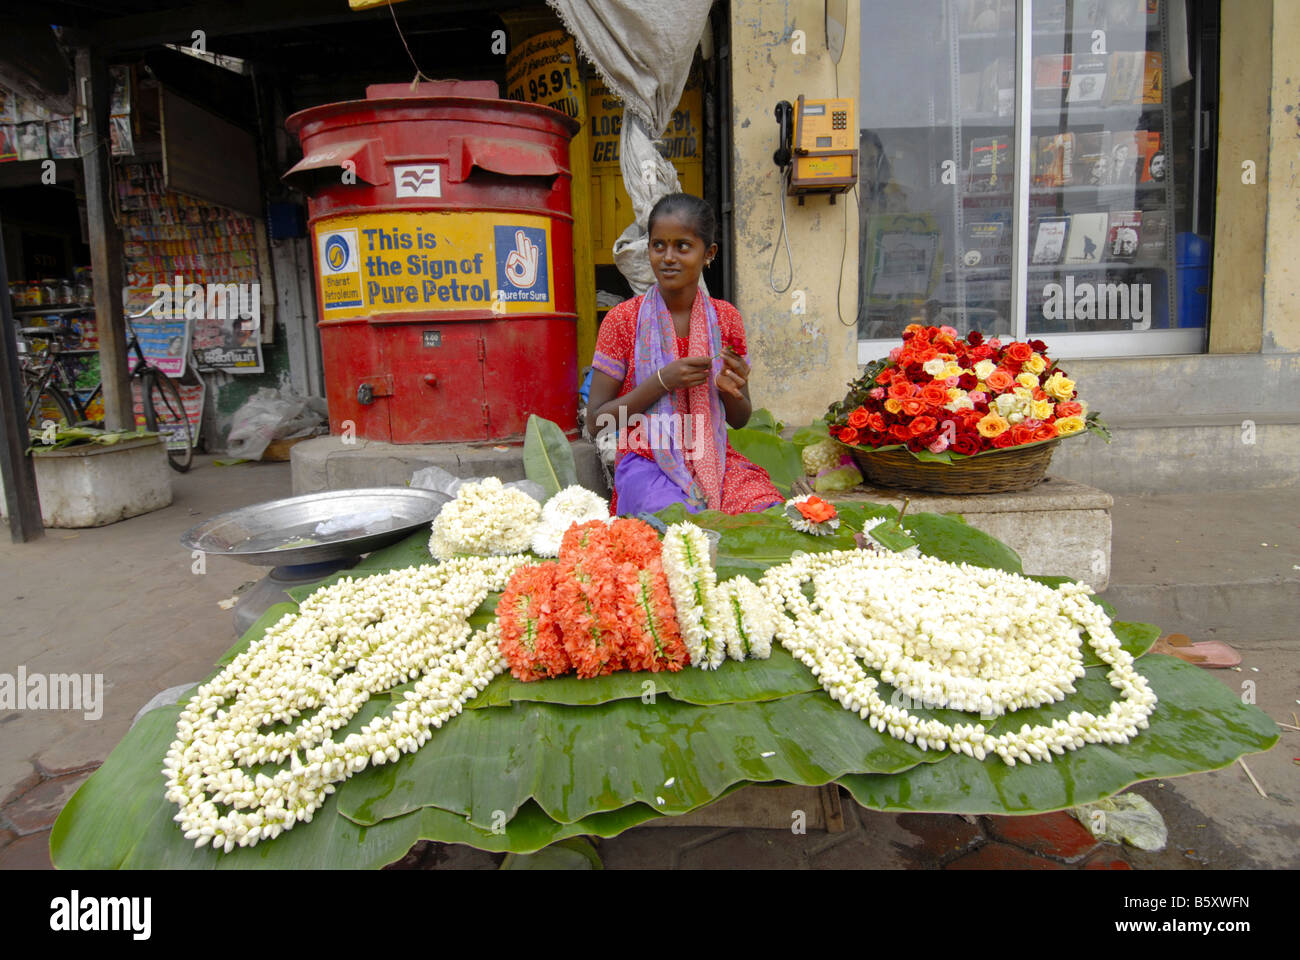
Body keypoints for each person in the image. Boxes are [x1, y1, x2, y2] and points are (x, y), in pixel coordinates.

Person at [586, 192, 784, 516]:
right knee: (682, 528)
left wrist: (729, 390)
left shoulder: (725, 319)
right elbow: (597, 422)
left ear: (709, 253)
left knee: (767, 513)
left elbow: (739, 418)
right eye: (658, 245)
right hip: (647, 462)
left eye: (682, 246)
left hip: (715, 457)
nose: (667, 257)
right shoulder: (622, 321)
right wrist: (662, 382)